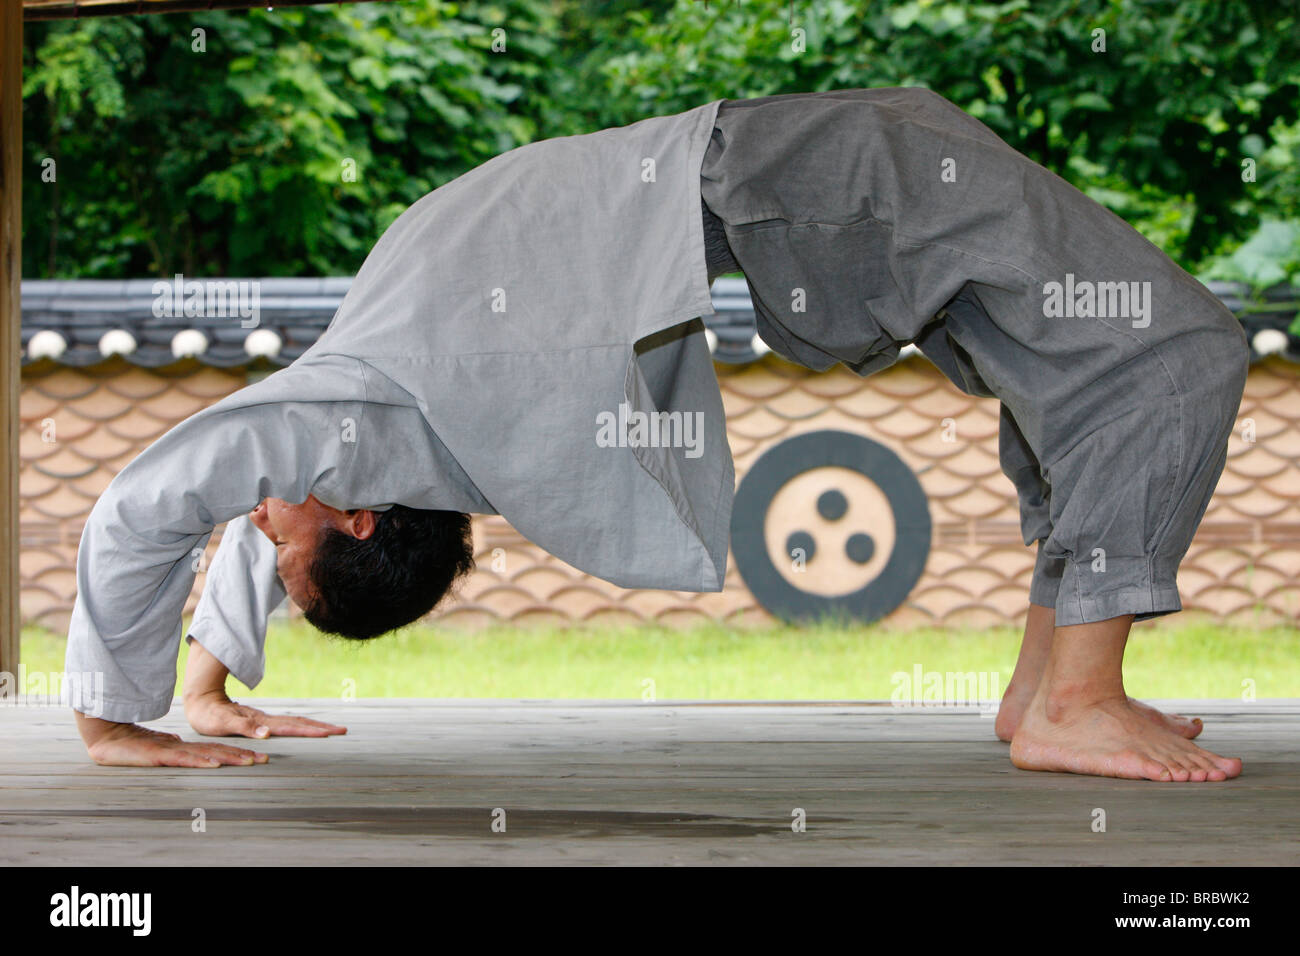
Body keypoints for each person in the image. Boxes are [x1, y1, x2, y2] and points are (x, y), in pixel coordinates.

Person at [67, 88, 1249, 782]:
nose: (256, 532)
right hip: (802, 171)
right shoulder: (351, 417)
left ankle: (1051, 687)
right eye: (277, 552)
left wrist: (200, 684)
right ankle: (1070, 695)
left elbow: (227, 502)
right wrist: (110, 716)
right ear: (357, 508)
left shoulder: (393, 435)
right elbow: (160, 501)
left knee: (1061, 363)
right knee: (1167, 348)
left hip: (764, 186)